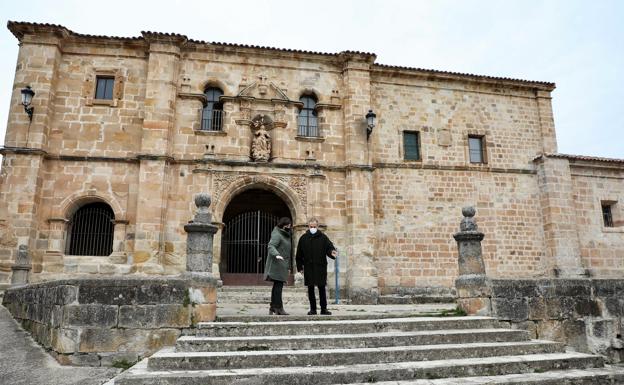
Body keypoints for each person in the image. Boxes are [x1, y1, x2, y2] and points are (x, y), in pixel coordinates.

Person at [296, 218, 337, 315]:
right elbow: (298, 255)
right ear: (308, 226)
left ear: (317, 227)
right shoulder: (303, 238)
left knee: (322, 288)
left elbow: (329, 248)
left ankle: (324, 309)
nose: (313, 228)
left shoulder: (323, 237)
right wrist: (300, 268)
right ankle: (313, 309)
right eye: (311, 226)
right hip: (309, 267)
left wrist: (332, 252)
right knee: (310, 289)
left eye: (314, 226)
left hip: (320, 267)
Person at [264, 217, 292, 315]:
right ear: (284, 225)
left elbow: (287, 252)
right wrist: (277, 254)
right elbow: (271, 246)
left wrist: (288, 267)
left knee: (277, 286)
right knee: (278, 286)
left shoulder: (285, 235)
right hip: (277, 264)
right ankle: (279, 308)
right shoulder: (277, 234)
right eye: (288, 226)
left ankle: (273, 307)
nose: (290, 227)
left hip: (282, 264)